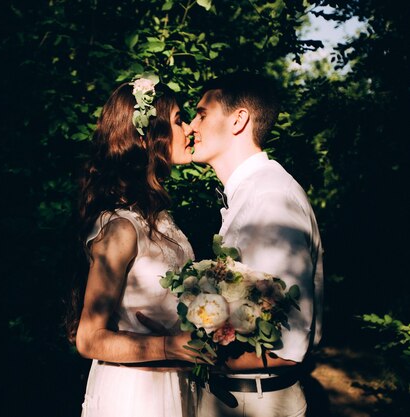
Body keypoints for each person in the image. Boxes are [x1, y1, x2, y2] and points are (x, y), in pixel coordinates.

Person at [185, 71, 324, 417]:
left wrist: (181, 354)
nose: (190, 126)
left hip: (257, 403)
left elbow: (289, 346)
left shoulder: (271, 198)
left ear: (239, 119)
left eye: (201, 114)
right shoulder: (250, 194)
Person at [66, 75, 201, 417]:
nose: (189, 129)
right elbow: (89, 338)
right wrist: (170, 346)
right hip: (134, 397)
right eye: (178, 120)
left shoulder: (159, 219)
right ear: (148, 137)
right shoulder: (122, 227)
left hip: (172, 386)